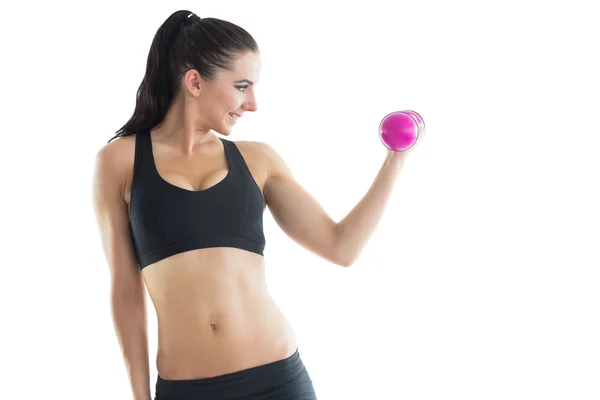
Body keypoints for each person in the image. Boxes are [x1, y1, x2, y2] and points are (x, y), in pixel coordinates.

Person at [92, 9, 422, 400]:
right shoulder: (120, 161)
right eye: (242, 86)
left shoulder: (257, 161)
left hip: (277, 382)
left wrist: (395, 159)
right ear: (194, 81)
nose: (252, 104)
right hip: (186, 390)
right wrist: (139, 396)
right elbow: (126, 291)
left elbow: (341, 247)